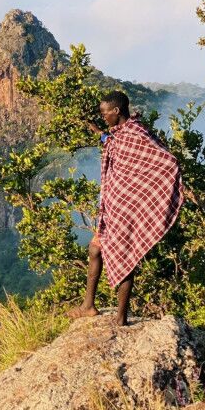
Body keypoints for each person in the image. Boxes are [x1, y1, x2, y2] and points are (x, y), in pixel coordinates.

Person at [67, 90, 184, 326]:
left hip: (129, 209)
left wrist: (143, 195)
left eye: (104, 113)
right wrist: (99, 134)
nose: (103, 117)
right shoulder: (120, 134)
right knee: (95, 250)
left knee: (125, 257)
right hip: (114, 206)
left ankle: (121, 318)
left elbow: (166, 160)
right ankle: (88, 306)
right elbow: (113, 142)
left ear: (116, 111)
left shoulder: (137, 133)